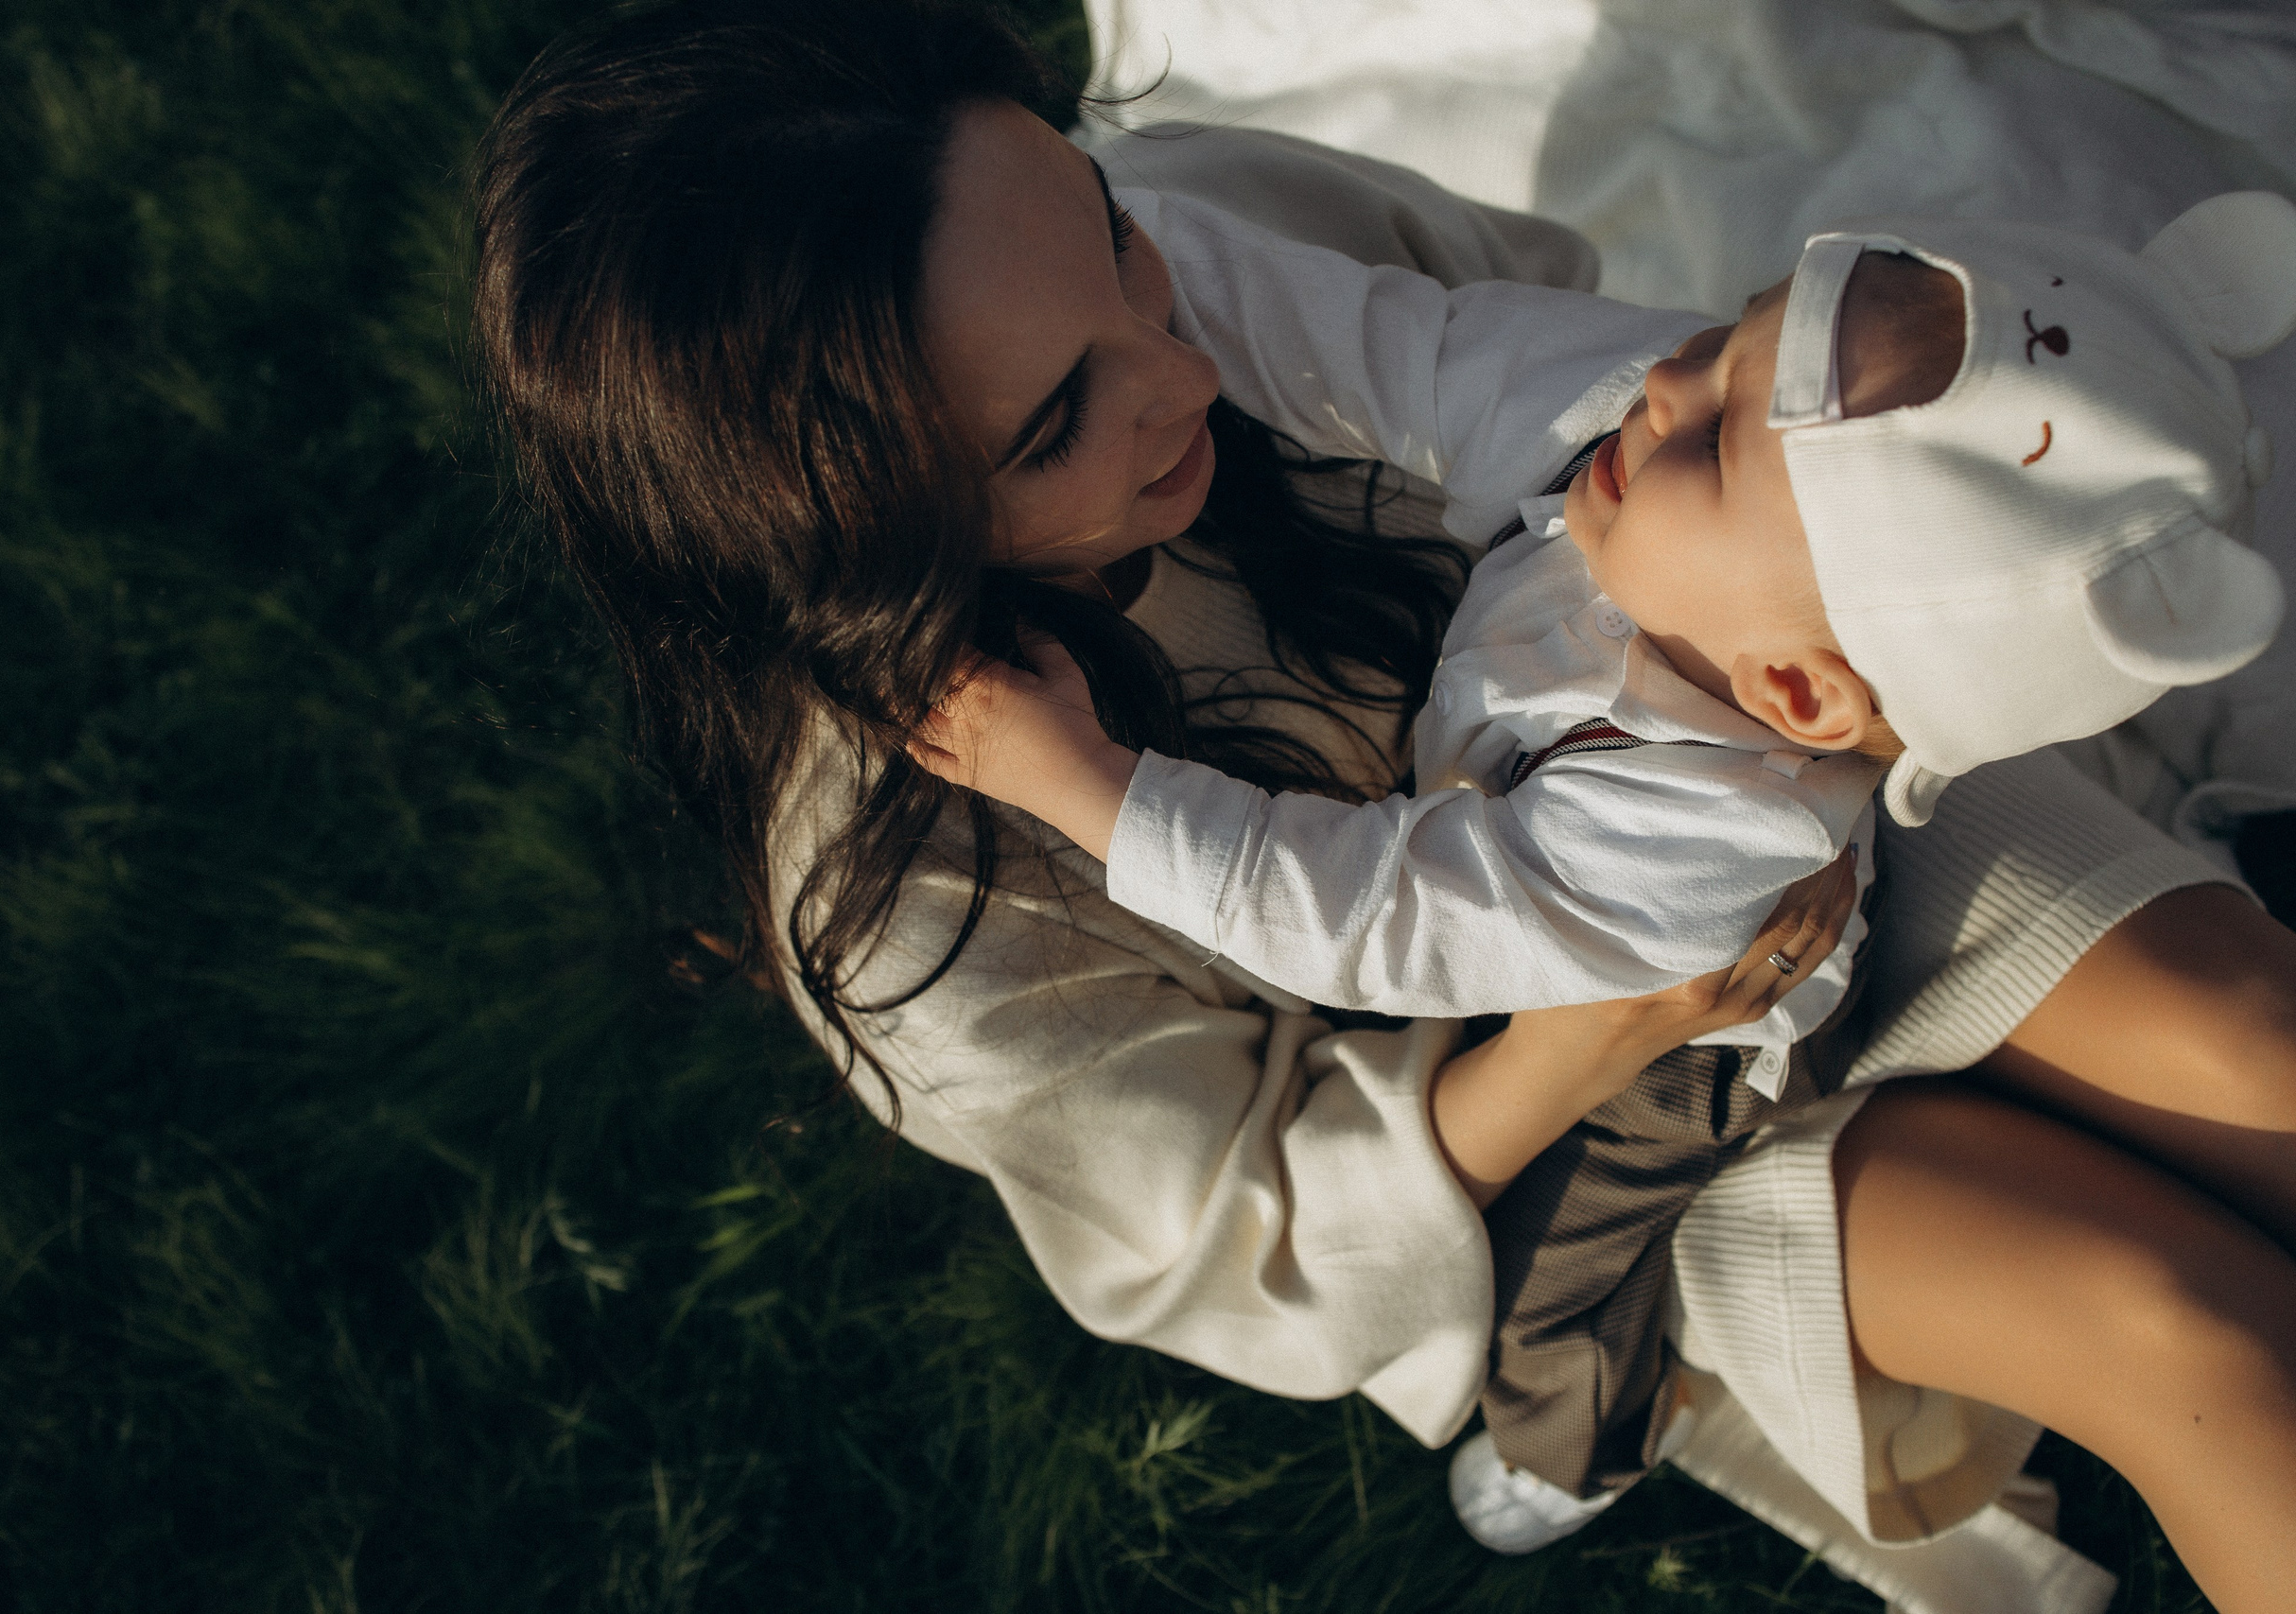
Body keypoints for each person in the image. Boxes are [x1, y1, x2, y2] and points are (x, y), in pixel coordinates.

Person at [465, 3, 2296, 1609]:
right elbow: (1255, 1243)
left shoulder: (1216, 241)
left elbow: (1515, 353)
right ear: (849, 535)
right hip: (1568, 1130)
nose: (1181, 372)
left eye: (1116, 246)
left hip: (1744, 782)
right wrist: (1621, 1017)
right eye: (1048, 427)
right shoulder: (917, 882)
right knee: (2168, 1317)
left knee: (2254, 1045)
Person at [913, 189, 2296, 1519]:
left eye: (1714, 433)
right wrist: (1097, 235)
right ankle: (1647, 1405)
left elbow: (1367, 917)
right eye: (1723, 337)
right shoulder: (1666, 453)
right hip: (1589, 1019)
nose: (1666, 383)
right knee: (2182, 1329)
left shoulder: (1698, 820)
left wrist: (1090, 788)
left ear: (1799, 696)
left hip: (1688, 1058)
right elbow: (1404, 346)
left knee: (1579, 1288)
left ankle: (1568, 1438)